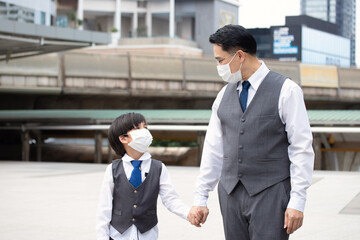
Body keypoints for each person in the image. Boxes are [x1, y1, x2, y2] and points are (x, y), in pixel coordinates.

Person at [187, 25, 314, 240]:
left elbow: (301, 147)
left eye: (220, 60)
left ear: (239, 56)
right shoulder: (222, 96)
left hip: (271, 192)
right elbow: (213, 149)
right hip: (230, 193)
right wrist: (200, 197)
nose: (219, 66)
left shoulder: (287, 90)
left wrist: (297, 200)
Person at [96, 112, 191, 240]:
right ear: (123, 138)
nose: (144, 131)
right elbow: (104, 207)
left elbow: (171, 199)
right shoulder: (112, 169)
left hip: (148, 235)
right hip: (118, 235)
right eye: (137, 128)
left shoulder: (159, 167)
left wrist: (189, 213)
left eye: (145, 128)